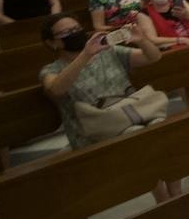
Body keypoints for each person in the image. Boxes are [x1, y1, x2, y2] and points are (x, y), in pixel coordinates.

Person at [39, 18, 168, 190]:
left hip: (129, 114)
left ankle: (174, 193)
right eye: (66, 32)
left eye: (77, 28)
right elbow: (56, 89)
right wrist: (86, 54)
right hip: (94, 129)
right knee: (139, 139)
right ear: (52, 43)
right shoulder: (51, 70)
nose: (75, 33)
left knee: (163, 131)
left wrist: (142, 40)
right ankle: (164, 199)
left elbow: (153, 57)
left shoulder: (110, 52)